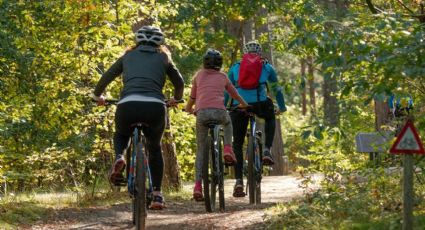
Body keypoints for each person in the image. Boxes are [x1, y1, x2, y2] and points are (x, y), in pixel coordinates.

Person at [92, 25, 184, 209]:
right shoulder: (164, 57)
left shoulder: (127, 56)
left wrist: (97, 96)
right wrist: (176, 99)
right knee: (155, 148)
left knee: (121, 134)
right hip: (155, 107)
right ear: (160, 43)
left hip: (128, 104)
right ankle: (157, 194)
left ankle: (120, 156)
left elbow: (107, 76)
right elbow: (179, 82)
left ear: (137, 41)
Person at [185, 49, 249, 201]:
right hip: (220, 112)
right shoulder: (223, 76)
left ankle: (198, 186)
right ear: (220, 64)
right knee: (228, 122)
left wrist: (189, 110)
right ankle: (227, 148)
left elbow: (192, 97)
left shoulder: (198, 76)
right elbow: (234, 94)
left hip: (202, 114)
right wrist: (244, 105)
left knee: (200, 150)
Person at [225, 40, 287, 197]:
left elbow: (227, 90)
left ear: (244, 53)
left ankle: (238, 181)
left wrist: (225, 106)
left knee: (237, 143)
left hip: (239, 106)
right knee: (270, 117)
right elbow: (276, 89)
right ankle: (266, 150)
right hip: (260, 104)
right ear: (259, 53)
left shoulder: (235, 67)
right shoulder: (266, 66)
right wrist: (282, 106)